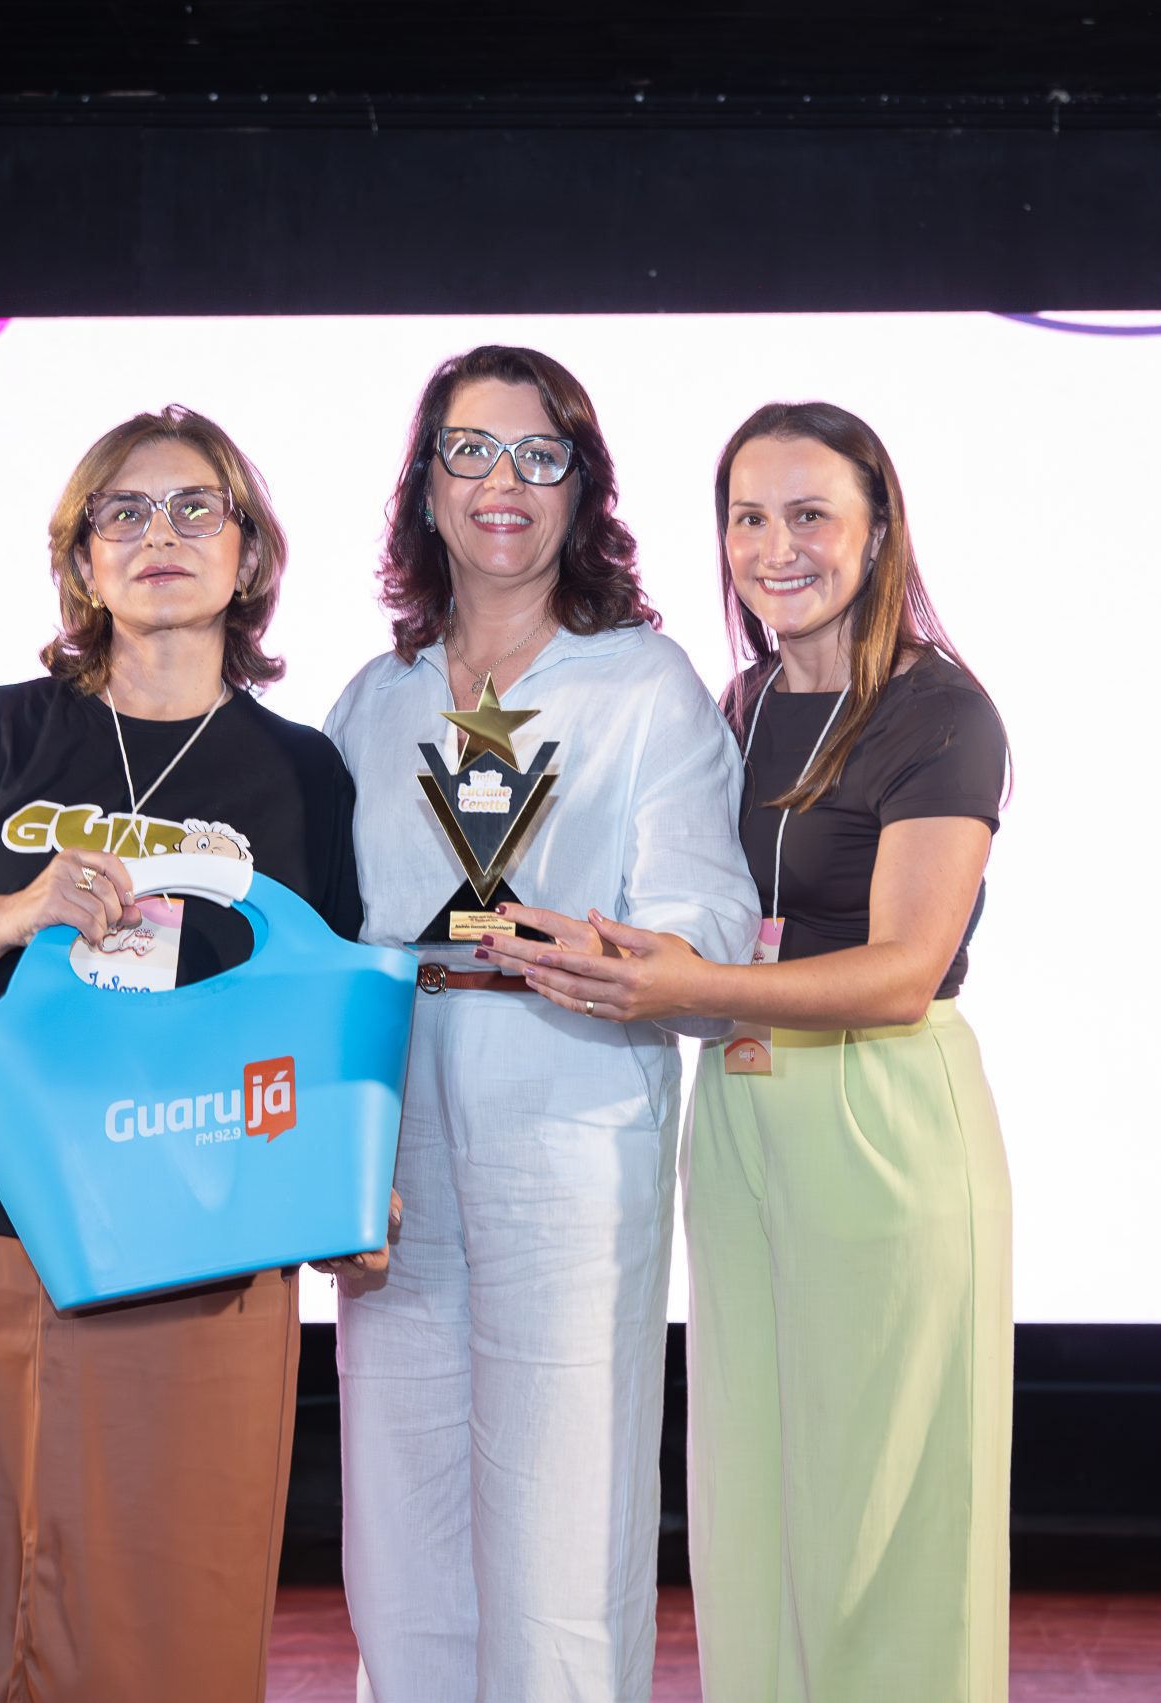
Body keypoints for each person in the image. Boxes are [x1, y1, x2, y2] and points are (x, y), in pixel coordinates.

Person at [481, 401, 1013, 1701]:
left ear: (879, 530)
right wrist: (607, 951)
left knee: (886, 1516)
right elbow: (712, 913)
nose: (777, 548)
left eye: (811, 515)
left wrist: (691, 984)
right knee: (752, 1503)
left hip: (881, 1113)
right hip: (739, 1107)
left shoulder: (943, 713)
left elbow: (902, 970)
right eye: (748, 517)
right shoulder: (747, 699)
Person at [0, 406, 368, 1703]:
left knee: (172, 1601)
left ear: (249, 556)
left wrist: (348, 1188)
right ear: (82, 562)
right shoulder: (0, 733)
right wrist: (16, 912)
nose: (159, 536)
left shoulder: (304, 772)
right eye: (122, 514)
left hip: (200, 1225)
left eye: (197, 508)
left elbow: (328, 1009)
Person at [324, 346, 759, 1703]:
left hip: (570, 1102)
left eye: (538, 454)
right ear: (425, 487)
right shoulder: (376, 696)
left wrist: (622, 955)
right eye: (469, 450)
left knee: (567, 1500)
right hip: (397, 1118)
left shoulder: (642, 683)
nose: (501, 481)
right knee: (399, 1500)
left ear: (582, 488)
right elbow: (332, 942)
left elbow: (714, 921)